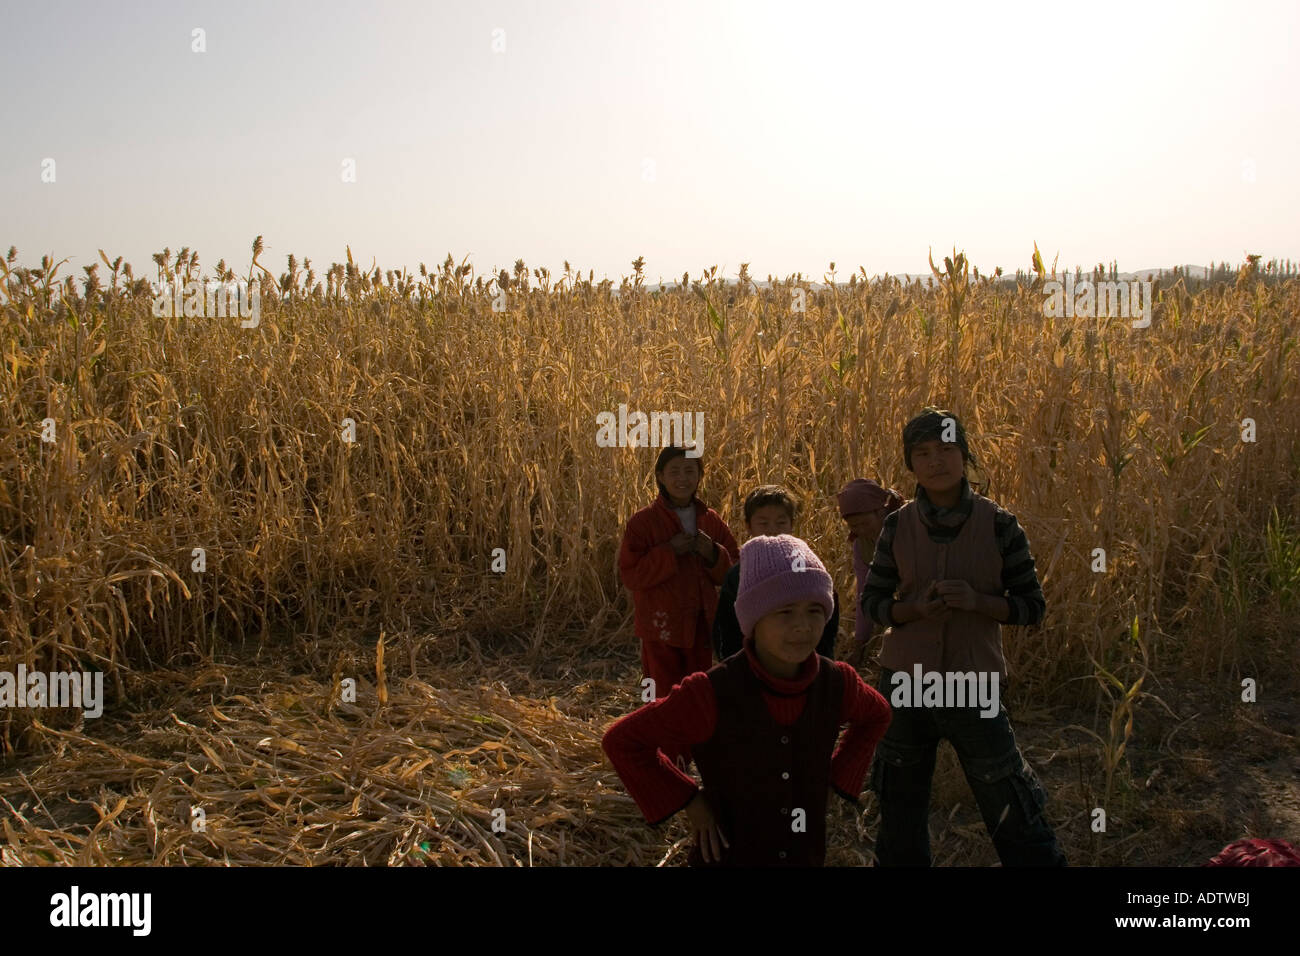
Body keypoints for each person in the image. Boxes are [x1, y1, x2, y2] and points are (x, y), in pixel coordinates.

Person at [603, 534, 892, 866]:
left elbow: (877, 715)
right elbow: (623, 741)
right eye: (785, 611)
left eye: (815, 610)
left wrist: (837, 780)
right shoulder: (710, 691)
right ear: (754, 622)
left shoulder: (838, 682)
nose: (802, 625)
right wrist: (691, 801)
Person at [861, 408, 1067, 866]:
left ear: (965, 455)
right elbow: (872, 601)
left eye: (947, 450)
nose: (937, 461)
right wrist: (912, 610)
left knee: (1008, 800)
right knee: (899, 807)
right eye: (924, 453)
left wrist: (979, 602)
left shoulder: (1000, 525)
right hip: (905, 681)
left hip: (973, 683)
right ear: (911, 464)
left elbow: (1032, 607)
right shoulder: (897, 524)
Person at [618, 445, 739, 713]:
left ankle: (694, 748)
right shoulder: (643, 523)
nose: (682, 478)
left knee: (699, 692)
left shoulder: (710, 520)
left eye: (689, 471)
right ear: (660, 476)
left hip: (702, 624)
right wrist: (669, 551)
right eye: (674, 472)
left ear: (699, 476)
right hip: (660, 626)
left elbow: (734, 573)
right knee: (662, 696)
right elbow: (631, 574)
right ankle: (666, 750)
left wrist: (712, 553)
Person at [712, 485, 840, 661]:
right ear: (748, 526)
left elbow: (825, 621)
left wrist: (823, 666)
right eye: (763, 523)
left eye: (781, 523)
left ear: (792, 524)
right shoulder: (739, 574)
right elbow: (727, 629)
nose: (772, 529)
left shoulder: (804, 567)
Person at [836, 478, 904, 669]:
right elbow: (864, 594)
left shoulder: (907, 528)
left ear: (881, 511)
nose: (861, 531)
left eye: (865, 523)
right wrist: (860, 645)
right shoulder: (862, 545)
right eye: (854, 527)